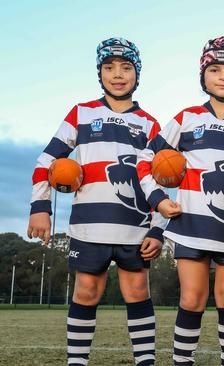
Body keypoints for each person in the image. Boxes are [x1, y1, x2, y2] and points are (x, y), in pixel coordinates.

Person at [27, 37, 163, 366]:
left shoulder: (150, 123)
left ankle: (145, 361)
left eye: (126, 67)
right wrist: (40, 208)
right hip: (88, 227)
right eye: (109, 67)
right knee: (86, 291)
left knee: (136, 292)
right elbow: (47, 159)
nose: (118, 74)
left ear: (137, 73)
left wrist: (158, 229)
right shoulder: (82, 113)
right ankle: (77, 362)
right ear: (99, 73)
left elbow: (160, 180)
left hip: (135, 227)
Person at [137, 36, 224, 366]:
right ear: (203, 75)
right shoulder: (186, 118)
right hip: (188, 225)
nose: (222, 76)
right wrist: (160, 200)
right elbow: (146, 160)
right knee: (191, 299)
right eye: (214, 69)